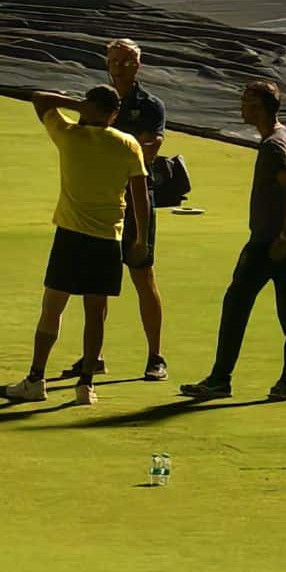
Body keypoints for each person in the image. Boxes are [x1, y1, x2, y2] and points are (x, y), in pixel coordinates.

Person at [7, 85, 151, 406]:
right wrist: (141, 238)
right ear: (114, 114)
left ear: (89, 108)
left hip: (70, 237)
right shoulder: (128, 145)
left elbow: (39, 98)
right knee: (95, 313)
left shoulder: (69, 135)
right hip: (107, 240)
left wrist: (78, 105)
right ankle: (85, 385)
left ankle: (36, 379)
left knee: (52, 309)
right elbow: (140, 196)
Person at [181, 81, 286, 401]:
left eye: (248, 103)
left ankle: (220, 379)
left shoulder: (272, 147)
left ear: (261, 108)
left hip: (269, 242)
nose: (242, 108)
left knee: (236, 305)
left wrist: (284, 234)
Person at [66, 39, 171, 382]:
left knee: (143, 276)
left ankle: (156, 356)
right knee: (96, 283)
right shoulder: (95, 99)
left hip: (137, 200)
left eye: (125, 62)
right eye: (112, 61)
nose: (117, 67)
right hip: (102, 200)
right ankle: (92, 356)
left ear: (137, 65)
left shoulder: (151, 106)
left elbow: (149, 151)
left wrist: (114, 147)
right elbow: (84, 140)